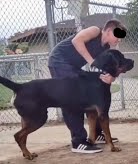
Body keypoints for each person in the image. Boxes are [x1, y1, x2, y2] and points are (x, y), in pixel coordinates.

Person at [48, 19, 127, 153]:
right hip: (59, 62)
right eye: (118, 36)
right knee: (72, 100)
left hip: (73, 67)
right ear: (108, 31)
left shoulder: (106, 48)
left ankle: (96, 133)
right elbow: (76, 41)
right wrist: (91, 61)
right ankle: (78, 142)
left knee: (92, 92)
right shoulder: (95, 30)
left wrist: (111, 77)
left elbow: (105, 67)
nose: (119, 40)